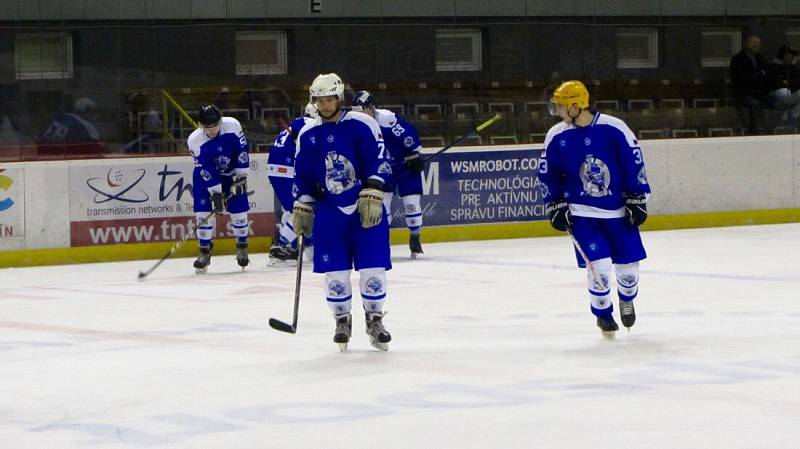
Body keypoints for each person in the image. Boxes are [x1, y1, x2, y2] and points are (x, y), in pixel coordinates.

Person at [536, 80, 650, 338]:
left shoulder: (613, 128)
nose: (558, 112)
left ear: (576, 106)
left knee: (629, 270)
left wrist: (636, 197)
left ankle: (626, 298)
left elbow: (634, 161)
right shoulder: (557, 134)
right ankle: (603, 314)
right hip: (581, 213)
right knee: (597, 267)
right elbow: (548, 173)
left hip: (618, 211)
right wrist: (555, 202)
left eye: (562, 106)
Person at [292, 73, 394, 351]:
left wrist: (374, 187)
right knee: (335, 271)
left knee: (373, 267)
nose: (325, 105)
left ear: (339, 98)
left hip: (365, 205)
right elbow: (303, 174)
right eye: (319, 100)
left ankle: (374, 320)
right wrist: (302, 203)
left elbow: (379, 158)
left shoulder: (362, 124)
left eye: (329, 99)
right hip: (329, 211)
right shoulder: (308, 133)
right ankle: (341, 321)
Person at [351, 90, 426, 258]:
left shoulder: (386, 119)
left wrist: (414, 155)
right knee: (381, 206)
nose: (359, 115)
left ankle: (415, 237)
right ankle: (381, 240)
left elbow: (408, 134)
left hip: (404, 165)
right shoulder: (355, 125)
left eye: (362, 110)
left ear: (370, 107)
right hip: (382, 168)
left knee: (411, 202)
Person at [187, 104, 251, 273]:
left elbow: (242, 151)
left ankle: (242, 246)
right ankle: (204, 251)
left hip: (232, 174)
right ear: (201, 126)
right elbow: (205, 169)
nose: (212, 130)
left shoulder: (233, 126)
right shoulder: (195, 141)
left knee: (239, 211)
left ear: (220, 121)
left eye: (215, 125)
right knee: (203, 214)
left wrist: (240, 177)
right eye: (207, 127)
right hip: (205, 179)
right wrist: (216, 194)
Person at [266, 102, 318, 265]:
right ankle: (281, 246)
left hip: (279, 170)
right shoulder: (309, 123)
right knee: (303, 208)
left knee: (293, 209)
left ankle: (303, 248)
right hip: (285, 171)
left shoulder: (302, 122)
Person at [729, 35, 771, 135]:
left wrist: (758, 76)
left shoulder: (760, 58)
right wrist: (759, 75)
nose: (756, 45)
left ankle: (776, 131)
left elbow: (767, 73)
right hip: (745, 94)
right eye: (754, 43)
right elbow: (742, 78)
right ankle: (754, 131)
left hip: (761, 93)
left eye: (758, 43)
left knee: (779, 100)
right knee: (754, 104)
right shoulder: (737, 59)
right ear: (746, 44)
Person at [766, 44, 800, 125]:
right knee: (784, 91)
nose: (794, 58)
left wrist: (789, 82)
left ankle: (790, 116)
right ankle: (791, 117)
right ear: (786, 55)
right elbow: (775, 83)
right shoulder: (773, 67)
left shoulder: (794, 68)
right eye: (792, 55)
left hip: (793, 95)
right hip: (777, 96)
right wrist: (791, 83)